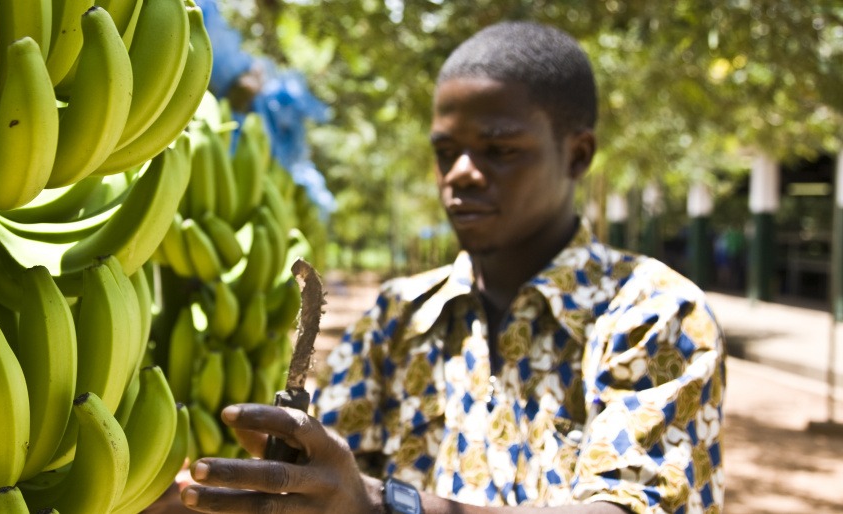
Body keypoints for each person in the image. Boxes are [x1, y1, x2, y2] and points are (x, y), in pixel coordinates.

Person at [170, 20, 726, 514]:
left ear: (577, 155)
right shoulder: (400, 317)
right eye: (444, 152)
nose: (459, 173)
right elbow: (329, 481)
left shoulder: (653, 313)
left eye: (498, 150)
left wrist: (383, 503)